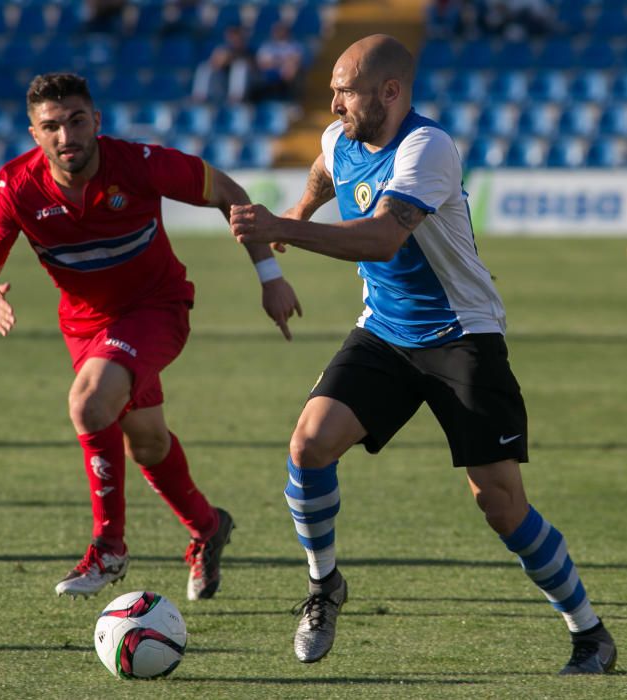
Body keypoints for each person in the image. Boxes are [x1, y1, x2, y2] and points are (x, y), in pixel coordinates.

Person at [230, 35, 617, 674]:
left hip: (462, 336)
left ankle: (589, 632)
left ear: (391, 92)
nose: (333, 100)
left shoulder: (426, 147)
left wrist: (282, 227)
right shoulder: (340, 135)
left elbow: (383, 239)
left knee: (499, 503)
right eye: (333, 86)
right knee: (309, 444)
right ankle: (324, 586)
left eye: (346, 89)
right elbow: (327, 166)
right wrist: (302, 204)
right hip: (384, 331)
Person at [0, 72, 301, 602]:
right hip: (85, 327)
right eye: (51, 126)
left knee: (90, 403)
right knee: (146, 441)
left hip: (157, 308)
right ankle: (209, 526)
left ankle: (109, 547)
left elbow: (229, 193)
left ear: (96, 121)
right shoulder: (14, 186)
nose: (66, 136)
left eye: (76, 121)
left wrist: (270, 277)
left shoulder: (141, 164)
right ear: (35, 134)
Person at [191, 24, 252, 103]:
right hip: (224, 83)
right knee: (205, 67)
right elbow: (214, 62)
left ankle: (235, 99)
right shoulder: (223, 49)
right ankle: (199, 96)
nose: (233, 39)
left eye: (236, 35)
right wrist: (222, 61)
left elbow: (253, 67)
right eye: (231, 36)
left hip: (247, 88)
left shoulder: (249, 50)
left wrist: (232, 59)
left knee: (239, 67)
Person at [250, 22, 305, 102]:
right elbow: (262, 63)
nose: (279, 33)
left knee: (291, 69)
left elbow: (296, 60)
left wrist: (276, 62)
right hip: (267, 74)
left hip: (287, 75)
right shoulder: (267, 46)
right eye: (277, 31)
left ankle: (292, 101)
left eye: (281, 30)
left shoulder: (294, 46)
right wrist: (281, 62)